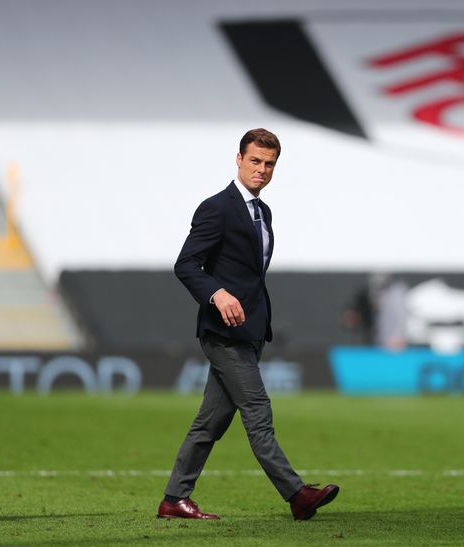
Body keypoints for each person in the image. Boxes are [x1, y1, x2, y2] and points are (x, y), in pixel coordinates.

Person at [157, 128, 339, 521]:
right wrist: (217, 294)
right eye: (255, 161)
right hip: (223, 334)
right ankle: (297, 494)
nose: (262, 170)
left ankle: (174, 500)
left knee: (209, 424)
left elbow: (252, 274)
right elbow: (186, 264)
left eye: (269, 164)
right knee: (258, 411)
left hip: (250, 332)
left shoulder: (263, 210)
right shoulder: (218, 207)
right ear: (238, 159)